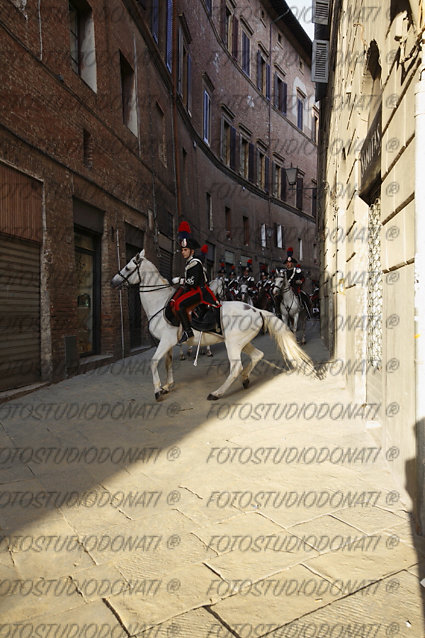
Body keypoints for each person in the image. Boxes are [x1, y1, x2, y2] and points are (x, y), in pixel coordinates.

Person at [173, 235, 218, 343]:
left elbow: (192, 282)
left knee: (179, 304)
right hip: (193, 290)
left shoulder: (195, 263)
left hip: (199, 291)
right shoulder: (189, 263)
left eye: (185, 250)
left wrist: (180, 281)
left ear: (191, 251)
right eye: (182, 250)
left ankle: (188, 331)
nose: (183, 252)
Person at [283, 248, 312, 318]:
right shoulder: (284, 272)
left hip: (295, 287)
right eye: (287, 262)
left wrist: (300, 281)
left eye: (289, 262)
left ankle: (304, 308)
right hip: (285, 288)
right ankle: (277, 310)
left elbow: (302, 278)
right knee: (278, 297)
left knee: (303, 296)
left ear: (292, 263)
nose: (288, 264)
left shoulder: (297, 270)